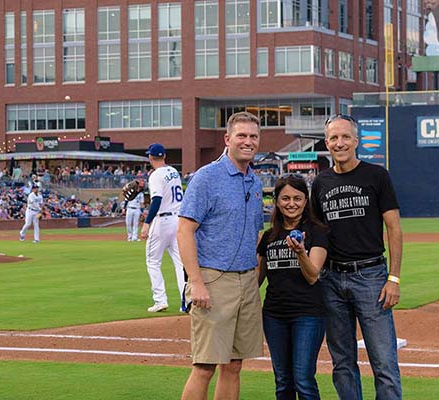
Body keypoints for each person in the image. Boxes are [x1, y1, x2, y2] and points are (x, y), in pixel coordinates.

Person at [311, 114, 403, 400]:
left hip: (371, 276)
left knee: (384, 362)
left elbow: (394, 228)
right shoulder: (320, 183)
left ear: (356, 140)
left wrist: (394, 279)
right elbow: (317, 233)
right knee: (342, 363)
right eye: (334, 138)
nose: (340, 143)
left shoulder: (377, 175)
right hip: (331, 279)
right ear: (327, 143)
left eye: (345, 137)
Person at [177, 111, 264, 400]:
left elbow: (254, 235)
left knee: (235, 364)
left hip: (246, 281)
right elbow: (185, 231)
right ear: (228, 139)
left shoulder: (254, 181)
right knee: (204, 366)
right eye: (242, 135)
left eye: (253, 136)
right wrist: (196, 282)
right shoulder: (206, 177)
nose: (248, 141)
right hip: (213, 279)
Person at [257, 174, 328, 400]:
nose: (291, 204)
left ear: (305, 201)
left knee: (303, 380)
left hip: (307, 314)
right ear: (277, 201)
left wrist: (300, 253)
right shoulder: (269, 237)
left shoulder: (317, 232)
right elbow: (256, 279)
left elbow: (312, 276)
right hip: (274, 314)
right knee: (283, 381)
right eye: (285, 198)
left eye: (297, 198)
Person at [139, 143, 186, 313]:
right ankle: (186, 301)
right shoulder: (174, 171)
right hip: (177, 220)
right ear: (164, 156)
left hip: (162, 221)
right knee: (180, 263)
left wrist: (146, 223)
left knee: (153, 262)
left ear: (151, 158)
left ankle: (160, 300)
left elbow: (157, 200)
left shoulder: (155, 175)